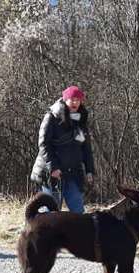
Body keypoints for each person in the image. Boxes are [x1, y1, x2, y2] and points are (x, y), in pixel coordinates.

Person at [30, 86, 95, 214]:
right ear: (65, 100)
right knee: (50, 214)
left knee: (78, 213)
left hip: (73, 173)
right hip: (51, 174)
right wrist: (53, 167)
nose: (75, 102)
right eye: (72, 99)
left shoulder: (81, 119)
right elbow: (43, 144)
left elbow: (86, 148)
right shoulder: (52, 117)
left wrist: (89, 170)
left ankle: (76, 234)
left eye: (78, 100)